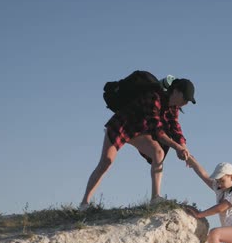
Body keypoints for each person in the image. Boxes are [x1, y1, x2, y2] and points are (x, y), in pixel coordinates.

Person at [80, 72, 196, 210]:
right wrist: (177, 147)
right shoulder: (154, 97)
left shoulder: (174, 108)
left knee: (158, 152)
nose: (186, 103)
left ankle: (155, 198)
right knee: (106, 162)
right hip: (121, 126)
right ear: (176, 91)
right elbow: (158, 131)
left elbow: (175, 127)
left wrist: (183, 146)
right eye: (186, 98)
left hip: (139, 131)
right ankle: (84, 204)